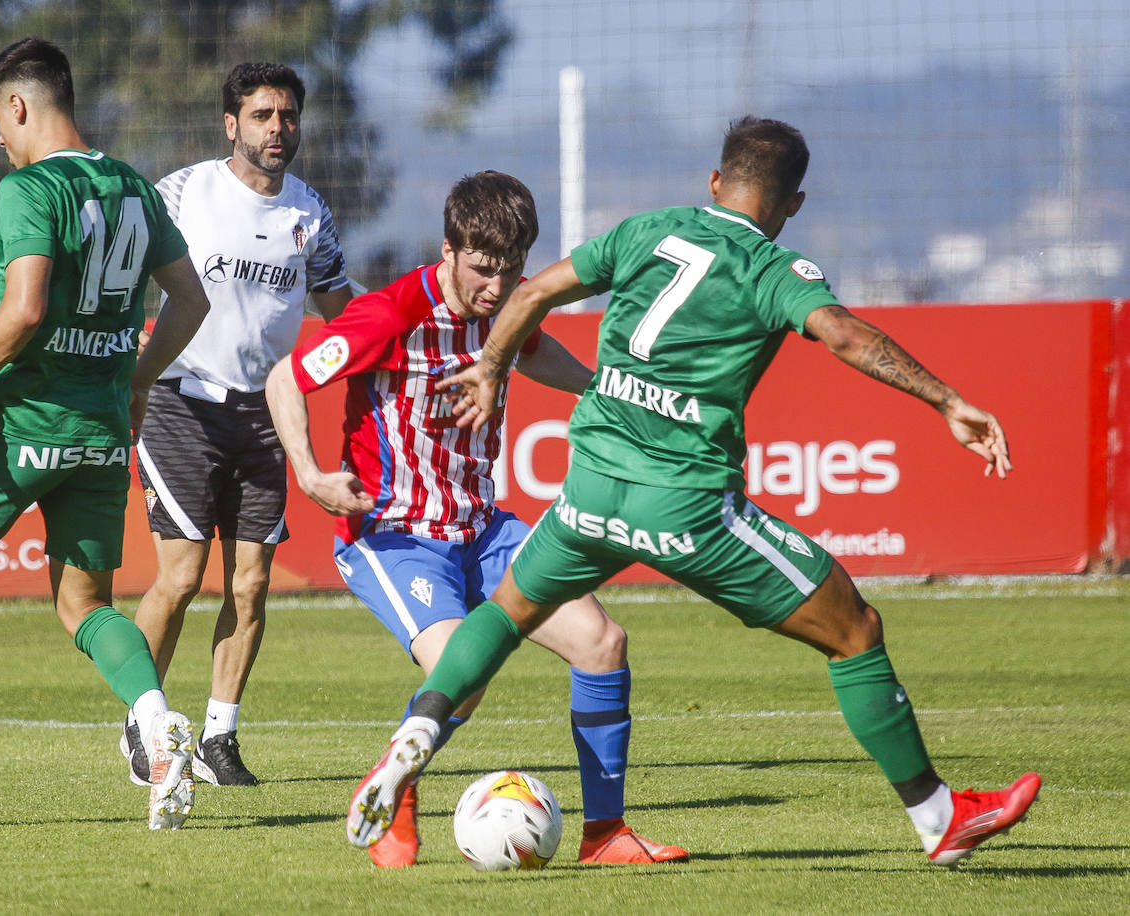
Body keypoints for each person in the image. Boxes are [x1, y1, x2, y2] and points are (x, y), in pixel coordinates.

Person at [346, 117, 1041, 866]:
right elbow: (843, 335)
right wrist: (945, 399)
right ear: (793, 204)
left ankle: (425, 729)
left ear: (716, 182)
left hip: (589, 491)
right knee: (854, 630)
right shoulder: (775, 269)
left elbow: (537, 289)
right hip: (683, 503)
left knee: (510, 610)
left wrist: (489, 365)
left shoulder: (647, 230)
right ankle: (939, 818)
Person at [266, 171, 687, 867]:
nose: (498, 287)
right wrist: (310, 474)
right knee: (466, 668)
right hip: (394, 535)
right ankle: (398, 797)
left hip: (483, 530)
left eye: (513, 270)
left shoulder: (509, 307)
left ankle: (605, 834)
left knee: (602, 643)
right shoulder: (392, 313)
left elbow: (531, 346)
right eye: (484, 269)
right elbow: (288, 377)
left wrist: (593, 388)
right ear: (448, 249)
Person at [0, 37, 212, 831]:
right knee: (85, 606)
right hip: (99, 427)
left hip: (23, 423)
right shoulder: (131, 186)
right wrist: (139, 378)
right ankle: (158, 727)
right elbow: (188, 300)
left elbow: (23, 308)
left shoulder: (31, 189)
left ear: (19, 106)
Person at [119, 62, 354, 790]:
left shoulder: (310, 213)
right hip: (180, 403)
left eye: (286, 116)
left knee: (251, 587)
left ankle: (220, 738)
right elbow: (127, 276)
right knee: (182, 577)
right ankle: (145, 727)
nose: (276, 129)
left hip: (266, 414)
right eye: (261, 116)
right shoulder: (182, 193)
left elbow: (342, 307)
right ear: (231, 124)